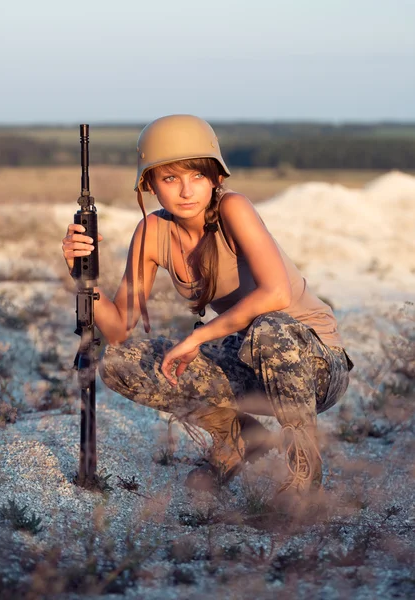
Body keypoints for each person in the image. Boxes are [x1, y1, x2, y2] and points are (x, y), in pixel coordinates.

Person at [62, 114, 353, 503]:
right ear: (148, 184)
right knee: (120, 361)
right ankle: (239, 438)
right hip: (251, 358)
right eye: (170, 179)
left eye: (197, 176)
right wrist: (84, 276)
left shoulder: (234, 208)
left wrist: (200, 336)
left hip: (316, 365)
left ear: (216, 177)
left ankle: (303, 483)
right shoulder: (152, 232)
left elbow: (277, 294)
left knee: (270, 328)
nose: (186, 191)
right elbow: (117, 329)